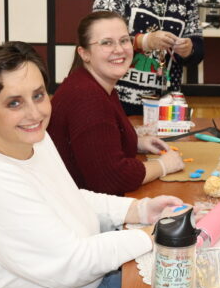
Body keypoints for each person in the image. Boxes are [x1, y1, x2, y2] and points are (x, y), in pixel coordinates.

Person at [0, 41, 184, 288]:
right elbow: (71, 265)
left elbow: (67, 198)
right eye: (14, 103)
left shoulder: (34, 139)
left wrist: (139, 210)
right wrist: (153, 234)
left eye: (39, 95)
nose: (34, 113)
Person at [48, 11, 185, 196]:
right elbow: (112, 179)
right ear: (84, 53)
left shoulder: (94, 84)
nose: (119, 49)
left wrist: (137, 142)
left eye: (124, 40)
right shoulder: (87, 98)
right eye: (106, 42)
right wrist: (163, 165)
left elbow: (94, 144)